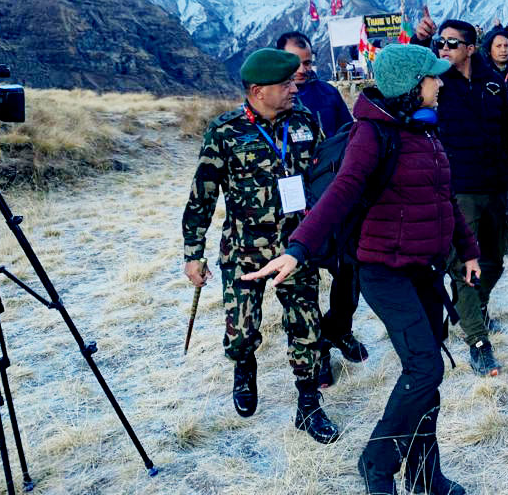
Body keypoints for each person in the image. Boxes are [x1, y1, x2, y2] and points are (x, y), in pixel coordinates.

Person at [243, 44, 480, 495]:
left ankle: (426, 474)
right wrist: (298, 249)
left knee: (427, 374)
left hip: (425, 271)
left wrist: (467, 252)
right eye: (432, 78)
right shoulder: (371, 135)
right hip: (385, 272)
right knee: (425, 368)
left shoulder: (425, 130)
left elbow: (443, 198)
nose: (440, 83)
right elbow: (343, 192)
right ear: (412, 88)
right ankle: (377, 462)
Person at [182, 48, 340, 443]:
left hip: (296, 247)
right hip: (244, 250)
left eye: (293, 81)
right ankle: (244, 369)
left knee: (306, 327)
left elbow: (324, 177)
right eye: (284, 84)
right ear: (257, 91)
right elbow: (202, 196)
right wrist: (193, 253)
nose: (293, 87)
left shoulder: (305, 121)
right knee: (240, 333)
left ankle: (308, 405)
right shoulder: (224, 131)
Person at [414, 15, 508, 365]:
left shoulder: (493, 82)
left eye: (451, 43)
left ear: (471, 48)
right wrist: (420, 40)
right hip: (457, 191)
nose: (443, 48)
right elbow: (407, 76)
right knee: (465, 267)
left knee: (495, 260)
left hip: (495, 186)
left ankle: (470, 309)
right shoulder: (434, 82)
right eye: (440, 42)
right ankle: (478, 342)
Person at [276, 31, 367, 383]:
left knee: (349, 271)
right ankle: (316, 355)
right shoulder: (273, 98)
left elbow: (350, 136)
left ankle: (338, 329)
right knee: (304, 286)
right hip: (294, 209)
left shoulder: (327, 94)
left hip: (333, 200)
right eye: (295, 64)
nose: (302, 71)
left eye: (308, 62)